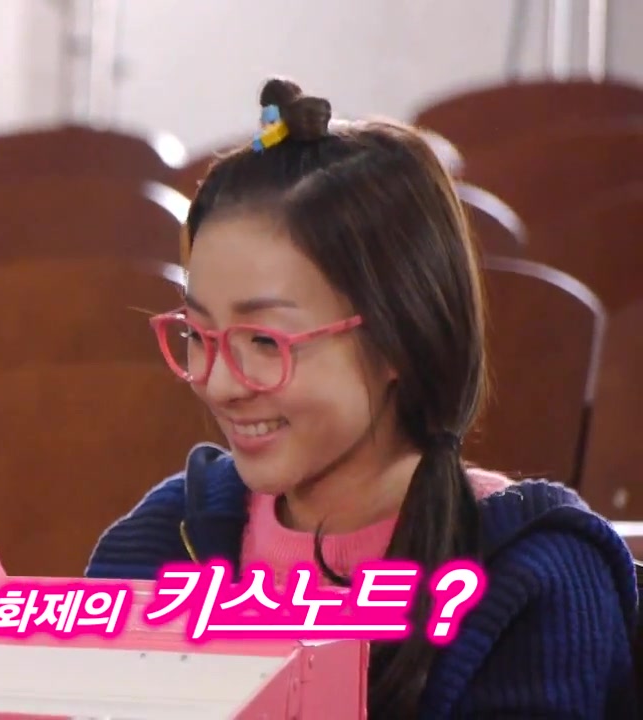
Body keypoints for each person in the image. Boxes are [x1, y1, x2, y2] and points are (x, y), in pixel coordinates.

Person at [86, 78, 639, 718]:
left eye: (265, 341)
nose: (221, 383)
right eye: (198, 335)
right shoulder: (161, 540)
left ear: (400, 336)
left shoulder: (531, 573)